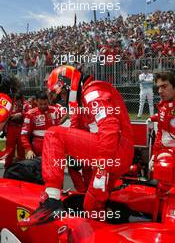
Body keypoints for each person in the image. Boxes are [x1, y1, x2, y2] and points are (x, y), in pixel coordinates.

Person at [19, 65, 134, 227]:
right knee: (92, 206)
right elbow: (77, 129)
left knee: (53, 134)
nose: (63, 98)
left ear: (68, 84)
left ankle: (52, 201)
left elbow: (110, 126)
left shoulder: (92, 92)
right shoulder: (84, 97)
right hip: (114, 155)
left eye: (63, 93)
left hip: (112, 152)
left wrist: (101, 167)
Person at [149, 72, 175, 192]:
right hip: (165, 156)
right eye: (158, 87)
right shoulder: (163, 106)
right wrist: (154, 156)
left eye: (164, 86)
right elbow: (160, 134)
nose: (159, 91)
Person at [21, 91, 60, 159]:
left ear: (48, 101)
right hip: (37, 148)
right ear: (36, 101)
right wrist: (28, 149)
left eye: (45, 104)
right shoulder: (30, 114)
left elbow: (57, 130)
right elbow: (24, 134)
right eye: (40, 104)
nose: (43, 106)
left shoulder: (54, 111)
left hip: (52, 145)